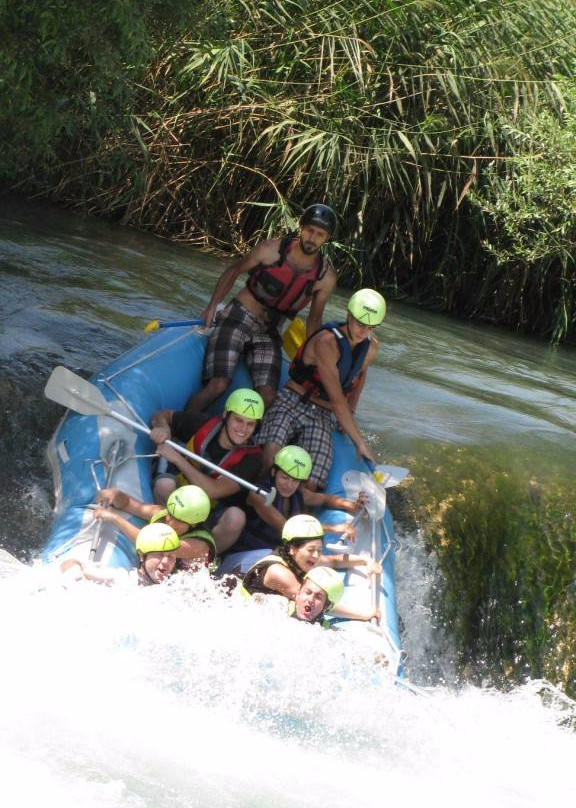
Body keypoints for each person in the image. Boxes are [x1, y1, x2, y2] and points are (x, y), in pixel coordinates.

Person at [185, 204, 339, 413]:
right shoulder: (271, 250)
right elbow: (233, 271)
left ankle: (231, 436)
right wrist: (212, 307)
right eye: (310, 230)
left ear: (326, 238)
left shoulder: (325, 277)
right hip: (239, 317)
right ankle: (179, 428)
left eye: (320, 234)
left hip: (269, 332)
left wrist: (314, 360)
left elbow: (314, 322)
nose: (313, 238)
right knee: (218, 384)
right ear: (301, 227)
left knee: (267, 397)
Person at [257, 288, 386, 490]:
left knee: (313, 483)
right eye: (360, 323)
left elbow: (359, 374)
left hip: (323, 415)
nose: (364, 331)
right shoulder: (327, 343)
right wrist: (360, 443)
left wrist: (352, 409)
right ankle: (260, 496)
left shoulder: (371, 346)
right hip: (293, 400)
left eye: (371, 327)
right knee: (271, 459)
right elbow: (337, 399)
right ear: (349, 316)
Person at [216, 444, 368, 576]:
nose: (289, 485)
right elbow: (287, 526)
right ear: (274, 472)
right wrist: (333, 528)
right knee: (292, 557)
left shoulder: (298, 493)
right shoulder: (259, 495)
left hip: (271, 556)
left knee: (296, 557)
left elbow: (324, 499)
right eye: (285, 477)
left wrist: (353, 505)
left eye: (295, 480)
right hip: (238, 559)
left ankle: (363, 562)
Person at [149, 388, 265, 553]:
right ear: (226, 415)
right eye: (238, 420)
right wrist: (164, 428)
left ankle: (201, 557)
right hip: (179, 492)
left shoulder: (253, 459)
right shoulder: (203, 423)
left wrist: (177, 458)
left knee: (236, 518)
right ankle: (163, 535)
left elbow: (213, 490)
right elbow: (162, 416)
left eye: (250, 424)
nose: (243, 429)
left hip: (209, 508)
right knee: (164, 485)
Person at [240, 514, 380, 621]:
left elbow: (333, 561)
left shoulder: (302, 559)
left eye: (319, 550)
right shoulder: (279, 572)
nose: (316, 555)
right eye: (311, 549)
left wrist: (365, 560)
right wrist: (363, 614)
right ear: (293, 548)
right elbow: (315, 603)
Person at [93, 484, 217, 568]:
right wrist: (116, 495)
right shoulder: (163, 513)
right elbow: (128, 504)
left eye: (179, 520)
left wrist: (114, 518)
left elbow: (147, 544)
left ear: (193, 524)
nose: (170, 521)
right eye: (170, 513)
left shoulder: (198, 545)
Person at [60, 523, 183, 586]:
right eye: (160, 554)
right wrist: (77, 568)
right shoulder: (123, 579)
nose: (166, 561)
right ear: (142, 556)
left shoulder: (176, 585)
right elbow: (71, 564)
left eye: (171, 557)